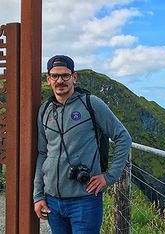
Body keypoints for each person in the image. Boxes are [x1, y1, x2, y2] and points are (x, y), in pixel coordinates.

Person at [33, 55, 132, 233]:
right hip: (52, 202)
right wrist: (38, 195)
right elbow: (42, 153)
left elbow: (123, 137)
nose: (60, 81)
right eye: (54, 76)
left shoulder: (90, 104)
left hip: (84, 201)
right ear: (48, 79)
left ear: (74, 77)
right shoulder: (44, 110)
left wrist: (109, 177)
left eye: (65, 75)